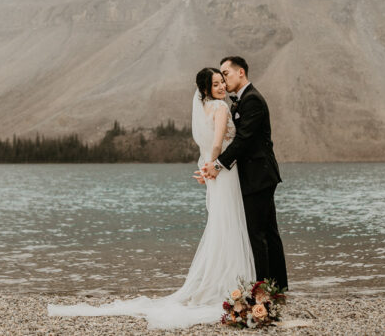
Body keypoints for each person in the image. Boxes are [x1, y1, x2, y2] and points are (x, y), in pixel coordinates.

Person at [47, 67, 255, 330]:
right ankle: (229, 284)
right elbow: (214, 144)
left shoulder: (205, 109)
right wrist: (213, 166)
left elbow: (205, 147)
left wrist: (206, 169)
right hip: (223, 172)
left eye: (222, 82)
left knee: (221, 226)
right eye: (216, 85)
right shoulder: (221, 109)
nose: (222, 87)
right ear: (206, 90)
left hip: (215, 173)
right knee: (228, 225)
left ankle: (221, 282)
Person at [201, 56, 288, 291]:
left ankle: (263, 290)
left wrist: (217, 165)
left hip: (258, 176)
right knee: (268, 233)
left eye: (226, 74)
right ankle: (277, 287)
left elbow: (244, 140)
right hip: (256, 175)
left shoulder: (253, 101)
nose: (223, 79)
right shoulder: (240, 101)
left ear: (241, 72)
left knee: (258, 235)